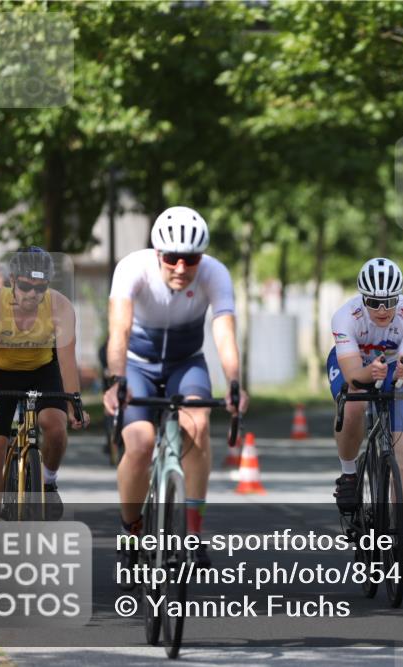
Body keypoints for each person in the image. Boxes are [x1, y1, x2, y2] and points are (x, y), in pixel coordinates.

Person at [103, 206, 248, 575]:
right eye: (172, 258)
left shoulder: (215, 273)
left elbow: (224, 333)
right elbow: (118, 331)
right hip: (137, 364)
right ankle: (131, 530)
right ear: (157, 254)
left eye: (191, 259)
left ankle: (193, 534)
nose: (181, 268)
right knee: (139, 443)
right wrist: (116, 380)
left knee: (198, 426)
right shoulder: (132, 268)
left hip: (186, 363)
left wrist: (234, 383)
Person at [0, 247, 88, 519]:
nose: (32, 294)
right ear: (12, 281)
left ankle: (47, 481)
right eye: (25, 286)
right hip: (0, 373)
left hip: (42, 371)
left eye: (40, 287)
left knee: (55, 429)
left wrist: (75, 404)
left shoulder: (60, 306)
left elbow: (67, 362)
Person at [327, 257, 403, 559]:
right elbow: (352, 373)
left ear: (399, 298)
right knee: (355, 403)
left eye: (389, 303)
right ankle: (349, 475)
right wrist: (367, 375)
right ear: (362, 297)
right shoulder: (346, 317)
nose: (382, 311)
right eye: (373, 302)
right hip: (354, 365)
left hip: (394, 369)